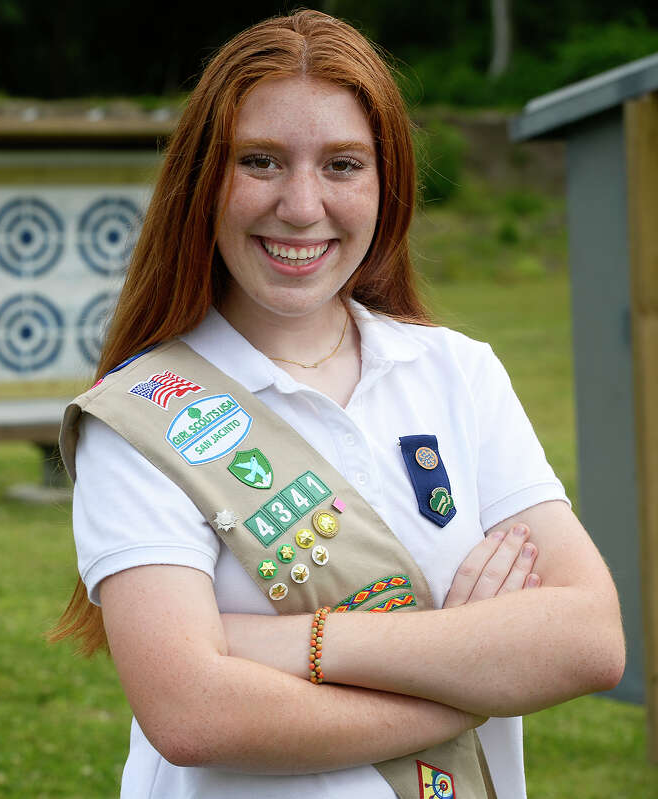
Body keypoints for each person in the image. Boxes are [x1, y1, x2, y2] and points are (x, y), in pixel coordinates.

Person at [49, 9, 624, 799]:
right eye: (261, 161)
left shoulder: (459, 374)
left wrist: (301, 645)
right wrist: (475, 670)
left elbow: (591, 639)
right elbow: (191, 713)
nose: (301, 204)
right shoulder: (140, 417)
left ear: (386, 185)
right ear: (202, 182)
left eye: (344, 165)